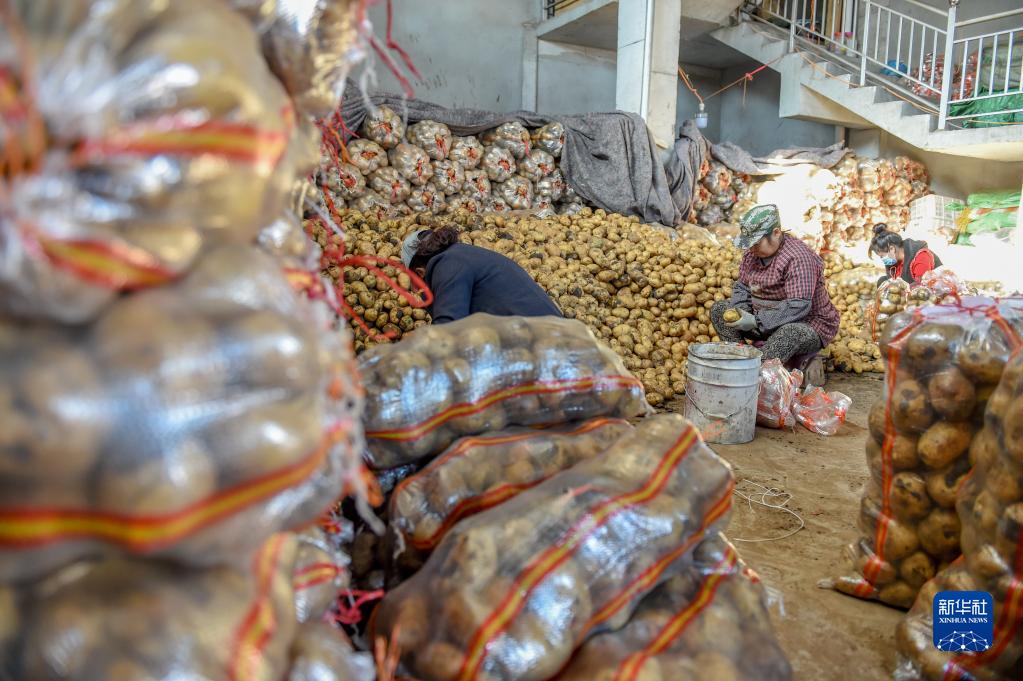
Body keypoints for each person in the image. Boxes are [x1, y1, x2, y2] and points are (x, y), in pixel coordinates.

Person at [710, 204, 839, 387]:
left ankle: (752, 372)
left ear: (776, 232)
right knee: (719, 310)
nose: (751, 249)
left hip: (806, 324)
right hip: (763, 321)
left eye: (756, 243)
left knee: (790, 333)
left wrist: (756, 321)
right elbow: (742, 288)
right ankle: (744, 359)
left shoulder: (798, 258)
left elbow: (798, 306)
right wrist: (741, 312)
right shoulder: (752, 254)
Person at [400, 225, 562, 324]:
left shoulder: (448, 264)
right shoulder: (463, 254)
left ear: (420, 273)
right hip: (554, 337)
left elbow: (448, 328)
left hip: (547, 346)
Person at [870, 223, 943, 286]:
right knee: (882, 281)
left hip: (931, 293)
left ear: (892, 249)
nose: (883, 260)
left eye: (882, 256)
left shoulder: (921, 257)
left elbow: (921, 288)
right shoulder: (893, 263)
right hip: (909, 293)